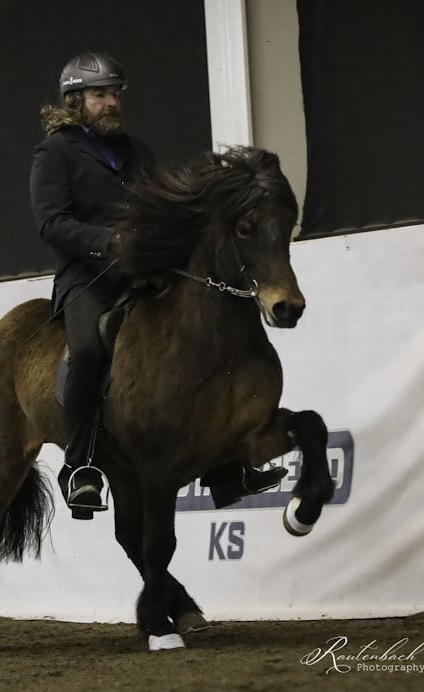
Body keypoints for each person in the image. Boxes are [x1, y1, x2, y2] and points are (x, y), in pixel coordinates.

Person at [30, 52, 287, 519]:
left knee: (206, 332)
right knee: (87, 352)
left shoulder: (136, 151)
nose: (112, 103)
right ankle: (81, 463)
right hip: (89, 276)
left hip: (145, 270)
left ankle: (228, 465)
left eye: (115, 94)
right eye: (100, 95)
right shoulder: (55, 154)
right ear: (74, 100)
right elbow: (51, 223)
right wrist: (108, 241)